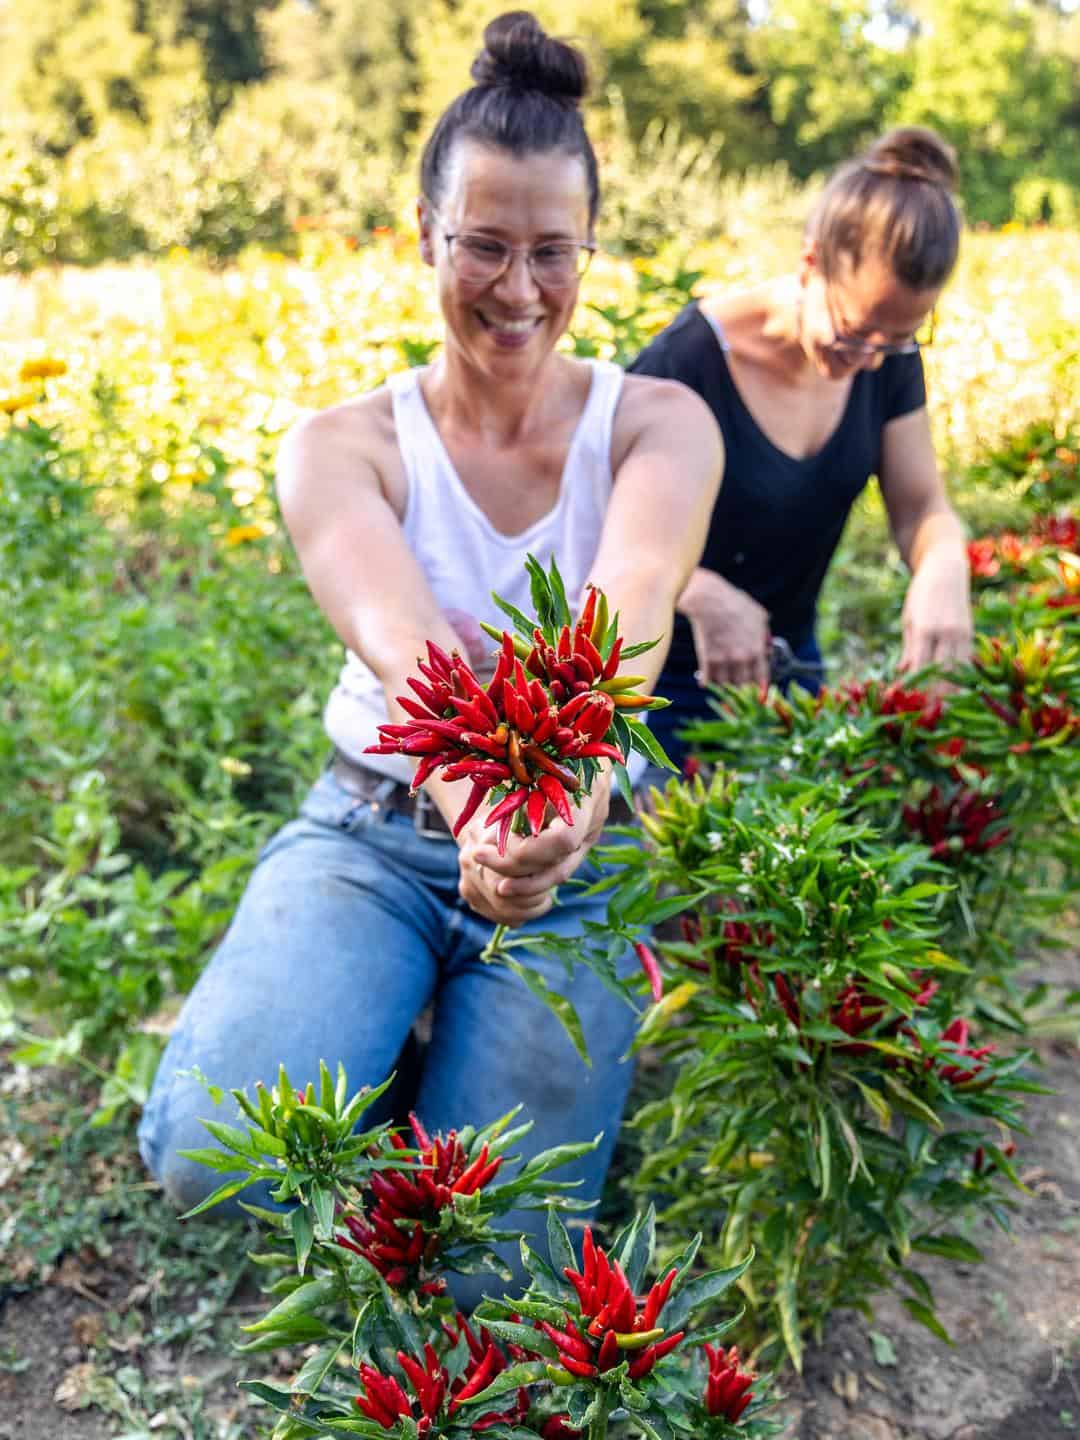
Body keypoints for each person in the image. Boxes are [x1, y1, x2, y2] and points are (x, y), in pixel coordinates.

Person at [137, 11, 721, 1300]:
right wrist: (477, 800)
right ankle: (364, 1003)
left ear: (589, 251)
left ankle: (407, 1040)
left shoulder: (659, 425)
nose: (519, 289)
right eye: (484, 245)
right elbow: (403, 649)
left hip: (575, 847)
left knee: (492, 1261)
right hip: (376, 829)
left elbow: (628, 607)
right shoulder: (343, 445)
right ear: (424, 236)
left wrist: (563, 799)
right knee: (211, 1162)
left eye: (552, 251)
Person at [629, 126, 973, 769]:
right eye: (854, 331)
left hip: (788, 667)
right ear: (811, 263)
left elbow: (921, 505)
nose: (870, 361)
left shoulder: (889, 359)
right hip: (661, 683)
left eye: (895, 341)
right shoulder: (688, 361)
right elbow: (587, 517)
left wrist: (943, 567)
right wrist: (700, 590)